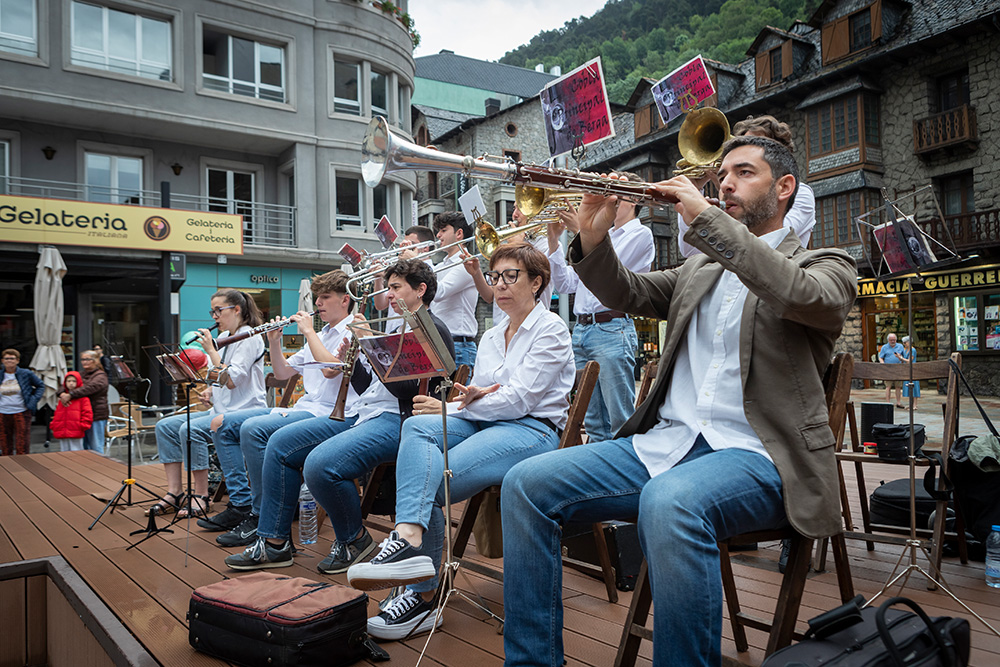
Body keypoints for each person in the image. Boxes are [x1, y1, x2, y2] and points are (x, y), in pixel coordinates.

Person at [500, 136, 857, 667]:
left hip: (762, 458)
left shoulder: (826, 264)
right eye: (722, 175)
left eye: (744, 173)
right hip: (669, 445)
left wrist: (708, 222)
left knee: (670, 501)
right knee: (525, 484)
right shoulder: (700, 270)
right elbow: (628, 294)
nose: (725, 184)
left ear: (784, 189)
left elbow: (802, 296)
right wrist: (595, 241)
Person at [347, 243, 575, 641]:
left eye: (510, 276)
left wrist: (457, 407)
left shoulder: (551, 328)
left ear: (537, 282)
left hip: (531, 430)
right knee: (416, 426)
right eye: (494, 277)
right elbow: (482, 395)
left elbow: (518, 399)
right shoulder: (490, 335)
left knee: (430, 481)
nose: (499, 285)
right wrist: (451, 406)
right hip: (486, 423)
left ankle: (424, 597)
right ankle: (408, 535)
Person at [225, 258, 455, 572]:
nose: (387, 295)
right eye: (387, 288)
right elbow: (367, 385)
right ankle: (282, 540)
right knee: (292, 450)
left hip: (402, 421)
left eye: (395, 288)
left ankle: (352, 539)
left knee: (319, 464)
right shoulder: (400, 326)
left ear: (421, 290)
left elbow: (411, 395)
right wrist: (358, 359)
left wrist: (375, 351)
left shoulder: (431, 328)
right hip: (372, 414)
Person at [197, 270, 360, 547]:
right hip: (305, 409)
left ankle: (262, 514)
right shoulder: (322, 332)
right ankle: (247, 507)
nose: (318, 303)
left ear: (345, 300)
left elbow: (334, 368)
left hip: (332, 413)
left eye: (325, 297)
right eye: (317, 297)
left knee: (254, 429)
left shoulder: (354, 327)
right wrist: (274, 340)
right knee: (226, 425)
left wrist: (307, 331)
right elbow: (283, 372)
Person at [546, 171, 654, 443]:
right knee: (592, 419)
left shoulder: (641, 234)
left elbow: (608, 270)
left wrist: (582, 230)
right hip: (582, 329)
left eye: (617, 194)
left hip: (611, 327)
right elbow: (567, 284)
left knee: (619, 419)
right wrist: (553, 242)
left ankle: (628, 477)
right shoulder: (596, 236)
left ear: (633, 200)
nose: (611, 199)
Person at [149, 290, 265, 519]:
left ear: (237, 310)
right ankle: (175, 492)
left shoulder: (248, 337)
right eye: (212, 311)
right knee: (165, 426)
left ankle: (201, 496)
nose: (214, 316)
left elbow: (231, 380)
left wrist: (211, 351)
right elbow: (221, 379)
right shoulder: (229, 338)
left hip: (246, 413)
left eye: (218, 310)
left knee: (189, 429)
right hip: (220, 410)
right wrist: (211, 390)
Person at [677, 114, 816, 258]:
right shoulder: (729, 200)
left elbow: (768, 239)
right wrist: (692, 191)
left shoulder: (801, 192)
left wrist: (720, 192)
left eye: (756, 145)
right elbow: (691, 252)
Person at [464, 207, 555, 326]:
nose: (514, 215)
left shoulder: (548, 245)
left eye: (521, 208)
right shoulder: (509, 244)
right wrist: (476, 273)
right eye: (514, 208)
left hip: (530, 326)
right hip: (501, 326)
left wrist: (516, 245)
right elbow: (490, 296)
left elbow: (539, 287)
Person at [430, 212, 479, 367]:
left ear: (459, 234)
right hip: (441, 342)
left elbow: (438, 293)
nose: (438, 235)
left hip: (458, 344)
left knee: (457, 392)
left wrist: (421, 262)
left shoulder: (466, 263)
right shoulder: (441, 265)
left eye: (443, 230)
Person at [60, 350, 109, 455]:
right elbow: (63, 386)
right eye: (83, 359)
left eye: (88, 359)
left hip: (96, 415)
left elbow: (89, 388)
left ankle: (99, 467)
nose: (84, 362)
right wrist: (62, 394)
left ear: (95, 360)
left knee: (96, 446)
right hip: (80, 416)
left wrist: (70, 394)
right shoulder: (80, 374)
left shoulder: (100, 376)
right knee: (83, 447)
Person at [0, 348, 44, 456]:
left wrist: (33, 400)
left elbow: (40, 386)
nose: (9, 361)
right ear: (2, 361)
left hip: (21, 411)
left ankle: (23, 466)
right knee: (4, 442)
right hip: (2, 412)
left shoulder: (26, 373)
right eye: (6, 358)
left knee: (22, 442)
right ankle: (7, 466)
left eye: (12, 358)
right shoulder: (1, 374)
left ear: (17, 360)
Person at [50, 371, 93, 452]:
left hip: (76, 430)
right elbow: (57, 414)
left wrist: (83, 426)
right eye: (68, 381)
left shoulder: (83, 399)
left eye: (74, 381)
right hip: (62, 430)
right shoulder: (62, 399)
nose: (71, 383)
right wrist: (54, 425)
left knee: (77, 452)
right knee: (64, 452)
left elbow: (87, 413)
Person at [878, 332, 906, 407]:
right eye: (891, 340)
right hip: (888, 369)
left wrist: (901, 359)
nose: (893, 341)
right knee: (888, 386)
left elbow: (904, 357)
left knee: (898, 386)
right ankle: (888, 402)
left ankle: (898, 402)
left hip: (898, 368)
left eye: (894, 340)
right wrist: (882, 364)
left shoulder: (900, 346)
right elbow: (880, 357)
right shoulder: (884, 347)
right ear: (888, 340)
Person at [901, 335, 920, 407]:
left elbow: (910, 361)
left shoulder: (913, 350)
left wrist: (901, 358)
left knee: (914, 386)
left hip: (913, 369)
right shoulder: (905, 350)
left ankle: (915, 404)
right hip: (907, 369)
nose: (904, 344)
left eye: (905, 343)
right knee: (908, 386)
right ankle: (911, 404)